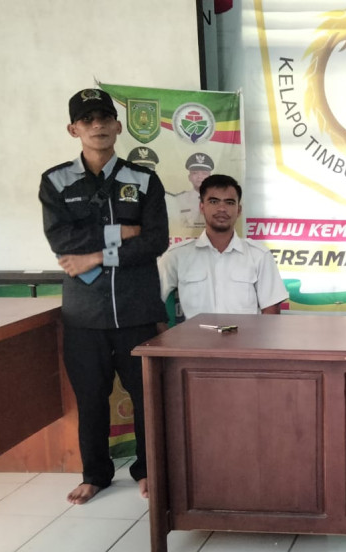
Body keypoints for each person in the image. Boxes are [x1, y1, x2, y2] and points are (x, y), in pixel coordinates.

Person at [38, 89, 168, 504]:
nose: (97, 125)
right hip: (84, 316)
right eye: (87, 119)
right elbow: (62, 241)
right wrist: (121, 233)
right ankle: (95, 474)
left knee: (147, 396)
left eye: (104, 117)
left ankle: (148, 470)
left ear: (118, 125)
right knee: (91, 399)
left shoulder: (143, 179)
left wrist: (96, 254)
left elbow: (155, 241)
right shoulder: (56, 181)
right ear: (73, 129)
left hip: (137, 312)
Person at [158, 174, 287, 318]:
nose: (222, 209)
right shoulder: (178, 255)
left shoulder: (259, 255)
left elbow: (271, 310)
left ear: (238, 210)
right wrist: (165, 333)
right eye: (214, 201)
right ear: (202, 207)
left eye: (229, 202)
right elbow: (150, 301)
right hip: (196, 333)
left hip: (245, 333)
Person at [166, 152, 214, 238]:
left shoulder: (219, 201)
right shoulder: (178, 200)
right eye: (195, 173)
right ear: (189, 177)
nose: (200, 177)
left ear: (210, 177)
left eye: (204, 173)